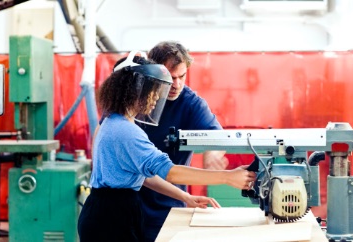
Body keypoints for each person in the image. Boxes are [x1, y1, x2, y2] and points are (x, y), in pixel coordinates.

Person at [77, 52, 256, 242]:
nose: (156, 97)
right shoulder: (126, 131)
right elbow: (170, 172)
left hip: (109, 211)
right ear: (135, 90)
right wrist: (227, 177)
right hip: (110, 219)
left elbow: (146, 176)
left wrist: (184, 196)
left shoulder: (114, 122)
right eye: (152, 90)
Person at [138, 41, 229, 241]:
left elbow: (218, 138)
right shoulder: (135, 99)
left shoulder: (190, 103)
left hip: (169, 203)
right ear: (153, 73)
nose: (177, 85)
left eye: (182, 76)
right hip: (130, 204)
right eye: (170, 78)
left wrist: (212, 154)